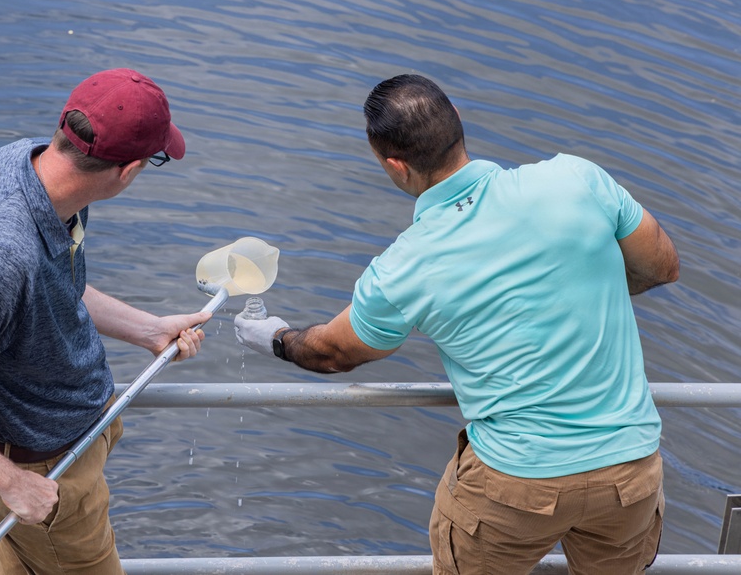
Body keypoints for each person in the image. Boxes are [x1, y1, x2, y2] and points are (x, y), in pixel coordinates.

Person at [234, 74, 679, 575]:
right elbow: (661, 266)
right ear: (459, 122)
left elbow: (333, 353)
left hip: (514, 481)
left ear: (395, 167)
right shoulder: (577, 179)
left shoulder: (405, 265)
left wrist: (275, 337)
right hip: (629, 471)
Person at [0, 68, 211, 575]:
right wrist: (11, 482)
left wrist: (146, 328)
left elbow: (48, 288)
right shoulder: (3, 256)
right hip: (43, 469)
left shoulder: (29, 166)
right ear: (129, 169)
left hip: (62, 441)